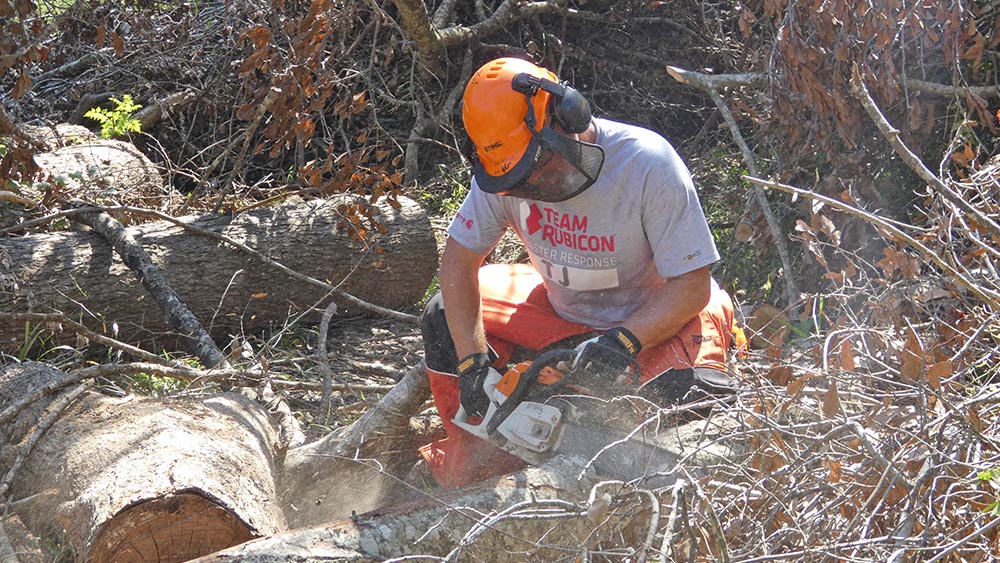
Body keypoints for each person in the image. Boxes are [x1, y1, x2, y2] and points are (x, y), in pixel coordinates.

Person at [418, 57, 741, 490]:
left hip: (657, 317)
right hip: (558, 309)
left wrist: (624, 341)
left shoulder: (645, 164)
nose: (535, 185)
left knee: (692, 399)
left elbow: (692, 284)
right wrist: (472, 360)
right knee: (445, 316)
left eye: (541, 164)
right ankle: (475, 465)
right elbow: (459, 262)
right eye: (520, 178)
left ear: (567, 115)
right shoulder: (502, 170)